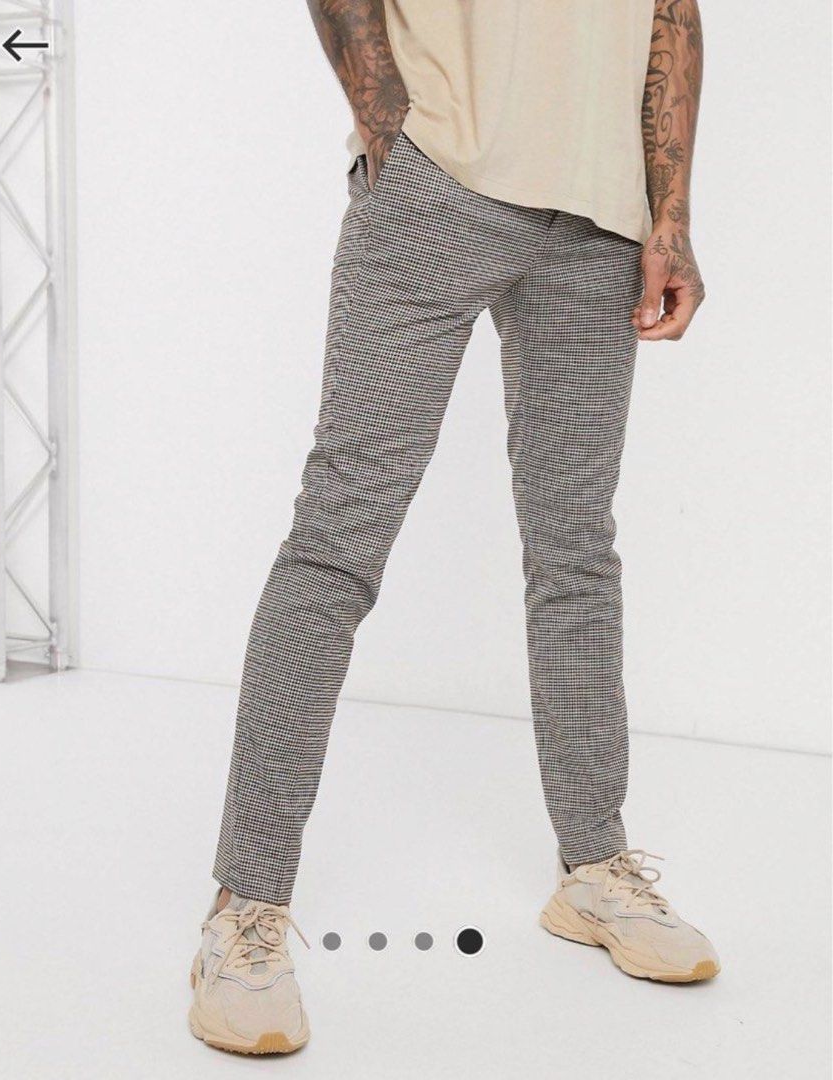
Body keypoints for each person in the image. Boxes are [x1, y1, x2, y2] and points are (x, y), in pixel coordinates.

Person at [188, 0, 715, 1056]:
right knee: (337, 545)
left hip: (601, 220)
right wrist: (391, 122)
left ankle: (594, 869)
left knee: (577, 553)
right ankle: (244, 910)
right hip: (439, 187)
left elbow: (672, 13)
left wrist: (669, 216)